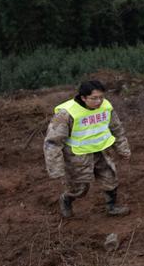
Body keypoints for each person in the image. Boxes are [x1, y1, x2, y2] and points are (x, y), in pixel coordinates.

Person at [44, 79, 131, 218]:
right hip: (77, 156)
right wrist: (56, 168)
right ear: (83, 97)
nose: (99, 101)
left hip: (101, 152)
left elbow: (117, 129)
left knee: (110, 179)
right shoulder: (66, 114)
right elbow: (53, 142)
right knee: (80, 188)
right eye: (94, 98)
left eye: (101, 97)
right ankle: (66, 199)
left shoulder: (106, 107)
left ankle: (112, 207)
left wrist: (123, 149)